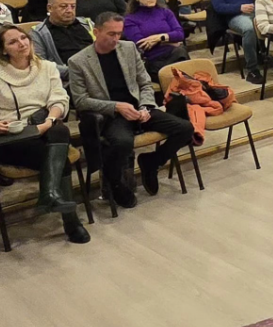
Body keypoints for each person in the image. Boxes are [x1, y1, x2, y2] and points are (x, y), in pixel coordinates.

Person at [0, 24, 90, 244]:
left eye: (23, 38)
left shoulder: (46, 67)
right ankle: (70, 220)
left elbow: (59, 99)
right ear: (3, 50)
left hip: (43, 129)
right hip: (11, 137)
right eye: (13, 42)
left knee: (58, 129)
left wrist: (47, 123)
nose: (21, 44)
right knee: (59, 156)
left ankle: (52, 198)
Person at [69, 12, 194, 204]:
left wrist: (145, 106)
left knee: (185, 128)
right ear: (96, 32)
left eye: (119, 33)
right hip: (112, 115)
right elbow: (80, 101)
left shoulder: (128, 48)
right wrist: (116, 107)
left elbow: (145, 83)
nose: (116, 39)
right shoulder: (78, 61)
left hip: (138, 108)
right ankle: (115, 182)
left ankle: (151, 162)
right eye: (111, 34)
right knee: (122, 142)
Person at [209, 0, 263, 85]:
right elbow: (218, 7)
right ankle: (252, 70)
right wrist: (240, 8)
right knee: (249, 28)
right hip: (235, 15)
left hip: (256, 11)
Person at [123, 0, 188, 81]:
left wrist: (159, 38)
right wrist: (171, 40)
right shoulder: (130, 20)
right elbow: (141, 45)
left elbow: (180, 34)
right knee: (180, 66)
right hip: (153, 61)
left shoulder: (165, 12)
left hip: (174, 54)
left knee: (180, 54)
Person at [31, 0, 94, 81]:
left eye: (73, 6)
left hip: (96, 71)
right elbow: (41, 64)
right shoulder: (38, 33)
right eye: (63, 6)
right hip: (68, 79)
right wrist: (75, 72)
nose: (69, 10)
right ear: (50, 8)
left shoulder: (88, 24)